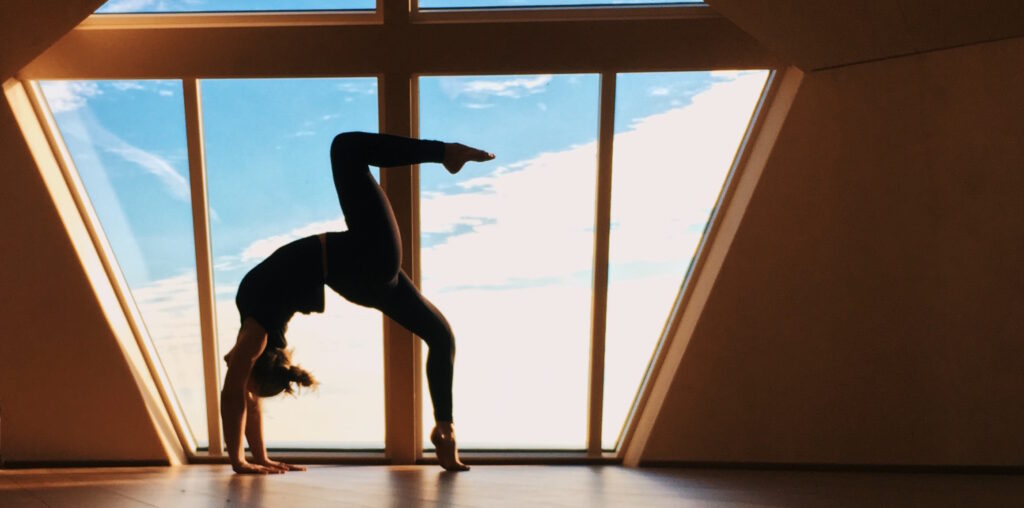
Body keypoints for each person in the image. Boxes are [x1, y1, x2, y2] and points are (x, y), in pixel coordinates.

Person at [221, 132, 495, 475]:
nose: (228, 363)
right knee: (345, 148)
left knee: (441, 336)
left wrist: (257, 457)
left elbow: (245, 393)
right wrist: (239, 461)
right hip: (362, 261)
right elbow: (236, 393)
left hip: (360, 278)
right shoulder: (256, 325)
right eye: (244, 372)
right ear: (259, 362)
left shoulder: (256, 318)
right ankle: (446, 153)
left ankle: (445, 432)